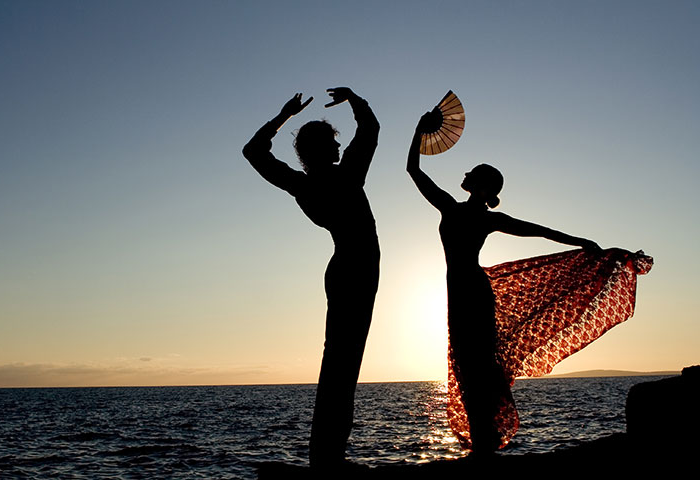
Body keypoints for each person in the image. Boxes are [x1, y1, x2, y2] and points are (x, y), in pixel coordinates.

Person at [406, 111, 600, 455]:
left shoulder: (463, 212)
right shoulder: (466, 212)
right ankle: (485, 438)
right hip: (467, 291)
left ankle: (484, 440)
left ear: (480, 186)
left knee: (475, 363)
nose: (464, 173)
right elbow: (413, 172)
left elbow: (540, 230)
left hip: (471, 293)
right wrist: (419, 134)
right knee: (472, 363)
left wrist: (581, 242)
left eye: (471, 172)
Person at [242, 87, 380, 468]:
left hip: (343, 270)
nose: (338, 148)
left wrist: (283, 116)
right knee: (344, 361)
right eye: (333, 143)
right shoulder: (347, 176)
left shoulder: (302, 185)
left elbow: (253, 152)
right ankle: (328, 457)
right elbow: (370, 130)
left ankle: (327, 452)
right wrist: (355, 100)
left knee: (338, 359)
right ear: (324, 149)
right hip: (357, 269)